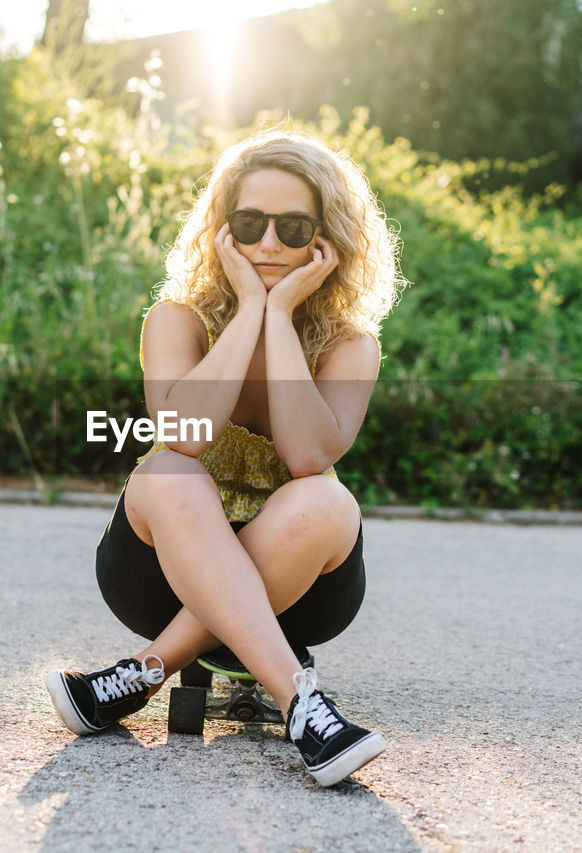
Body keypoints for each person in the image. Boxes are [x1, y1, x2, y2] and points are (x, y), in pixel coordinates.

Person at [45, 129, 404, 787]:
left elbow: (305, 455)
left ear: (325, 238)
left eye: (293, 226)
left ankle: (143, 673)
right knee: (167, 470)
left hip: (305, 587)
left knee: (323, 496)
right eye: (249, 222)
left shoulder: (351, 346)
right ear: (223, 230)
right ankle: (306, 707)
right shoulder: (176, 319)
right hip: (158, 572)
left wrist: (282, 314)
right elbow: (185, 433)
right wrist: (248, 311)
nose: (270, 242)